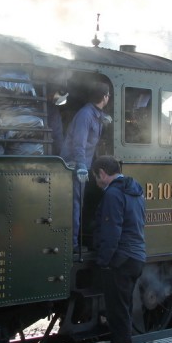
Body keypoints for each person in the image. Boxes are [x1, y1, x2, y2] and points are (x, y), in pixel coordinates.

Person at [89, 155, 146, 343]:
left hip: (120, 260)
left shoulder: (113, 194)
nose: (96, 182)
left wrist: (104, 261)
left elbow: (111, 231)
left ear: (102, 173)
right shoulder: (135, 190)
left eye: (96, 177)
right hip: (135, 256)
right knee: (123, 310)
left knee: (118, 313)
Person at [61, 81, 110, 248]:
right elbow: (78, 143)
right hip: (74, 165)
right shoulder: (85, 115)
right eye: (108, 95)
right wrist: (81, 165)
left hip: (85, 164)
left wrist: (104, 119)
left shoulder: (95, 114)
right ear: (105, 97)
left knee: (81, 203)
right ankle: (72, 244)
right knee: (75, 204)